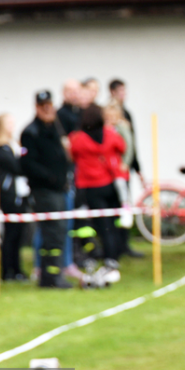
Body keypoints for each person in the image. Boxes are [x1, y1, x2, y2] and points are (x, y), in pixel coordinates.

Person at [21, 90, 73, 288]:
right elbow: (29, 164)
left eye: (50, 106)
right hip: (44, 190)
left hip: (59, 189)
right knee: (52, 233)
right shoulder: (31, 132)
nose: (48, 110)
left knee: (58, 233)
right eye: (44, 106)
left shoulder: (55, 129)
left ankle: (53, 274)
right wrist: (50, 177)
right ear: (37, 108)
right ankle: (51, 276)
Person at [69, 104, 126, 264]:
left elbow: (71, 154)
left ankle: (109, 257)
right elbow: (122, 146)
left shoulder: (78, 138)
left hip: (90, 186)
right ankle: (114, 254)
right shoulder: (109, 134)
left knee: (102, 225)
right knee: (112, 222)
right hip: (109, 183)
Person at [0, 114, 30, 281]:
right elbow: (15, 166)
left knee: (18, 233)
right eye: (9, 123)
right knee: (11, 234)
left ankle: (17, 268)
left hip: (21, 192)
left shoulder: (13, 145)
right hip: (9, 194)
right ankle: (8, 270)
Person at [102, 102, 143, 258]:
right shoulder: (105, 128)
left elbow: (129, 147)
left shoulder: (122, 127)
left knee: (122, 192)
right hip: (108, 171)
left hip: (119, 170)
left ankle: (126, 209)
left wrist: (125, 163)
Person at [109, 79, 144, 186]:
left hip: (124, 165)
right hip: (111, 166)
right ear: (112, 92)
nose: (124, 94)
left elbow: (131, 142)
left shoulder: (127, 114)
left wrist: (136, 167)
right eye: (120, 91)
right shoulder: (106, 112)